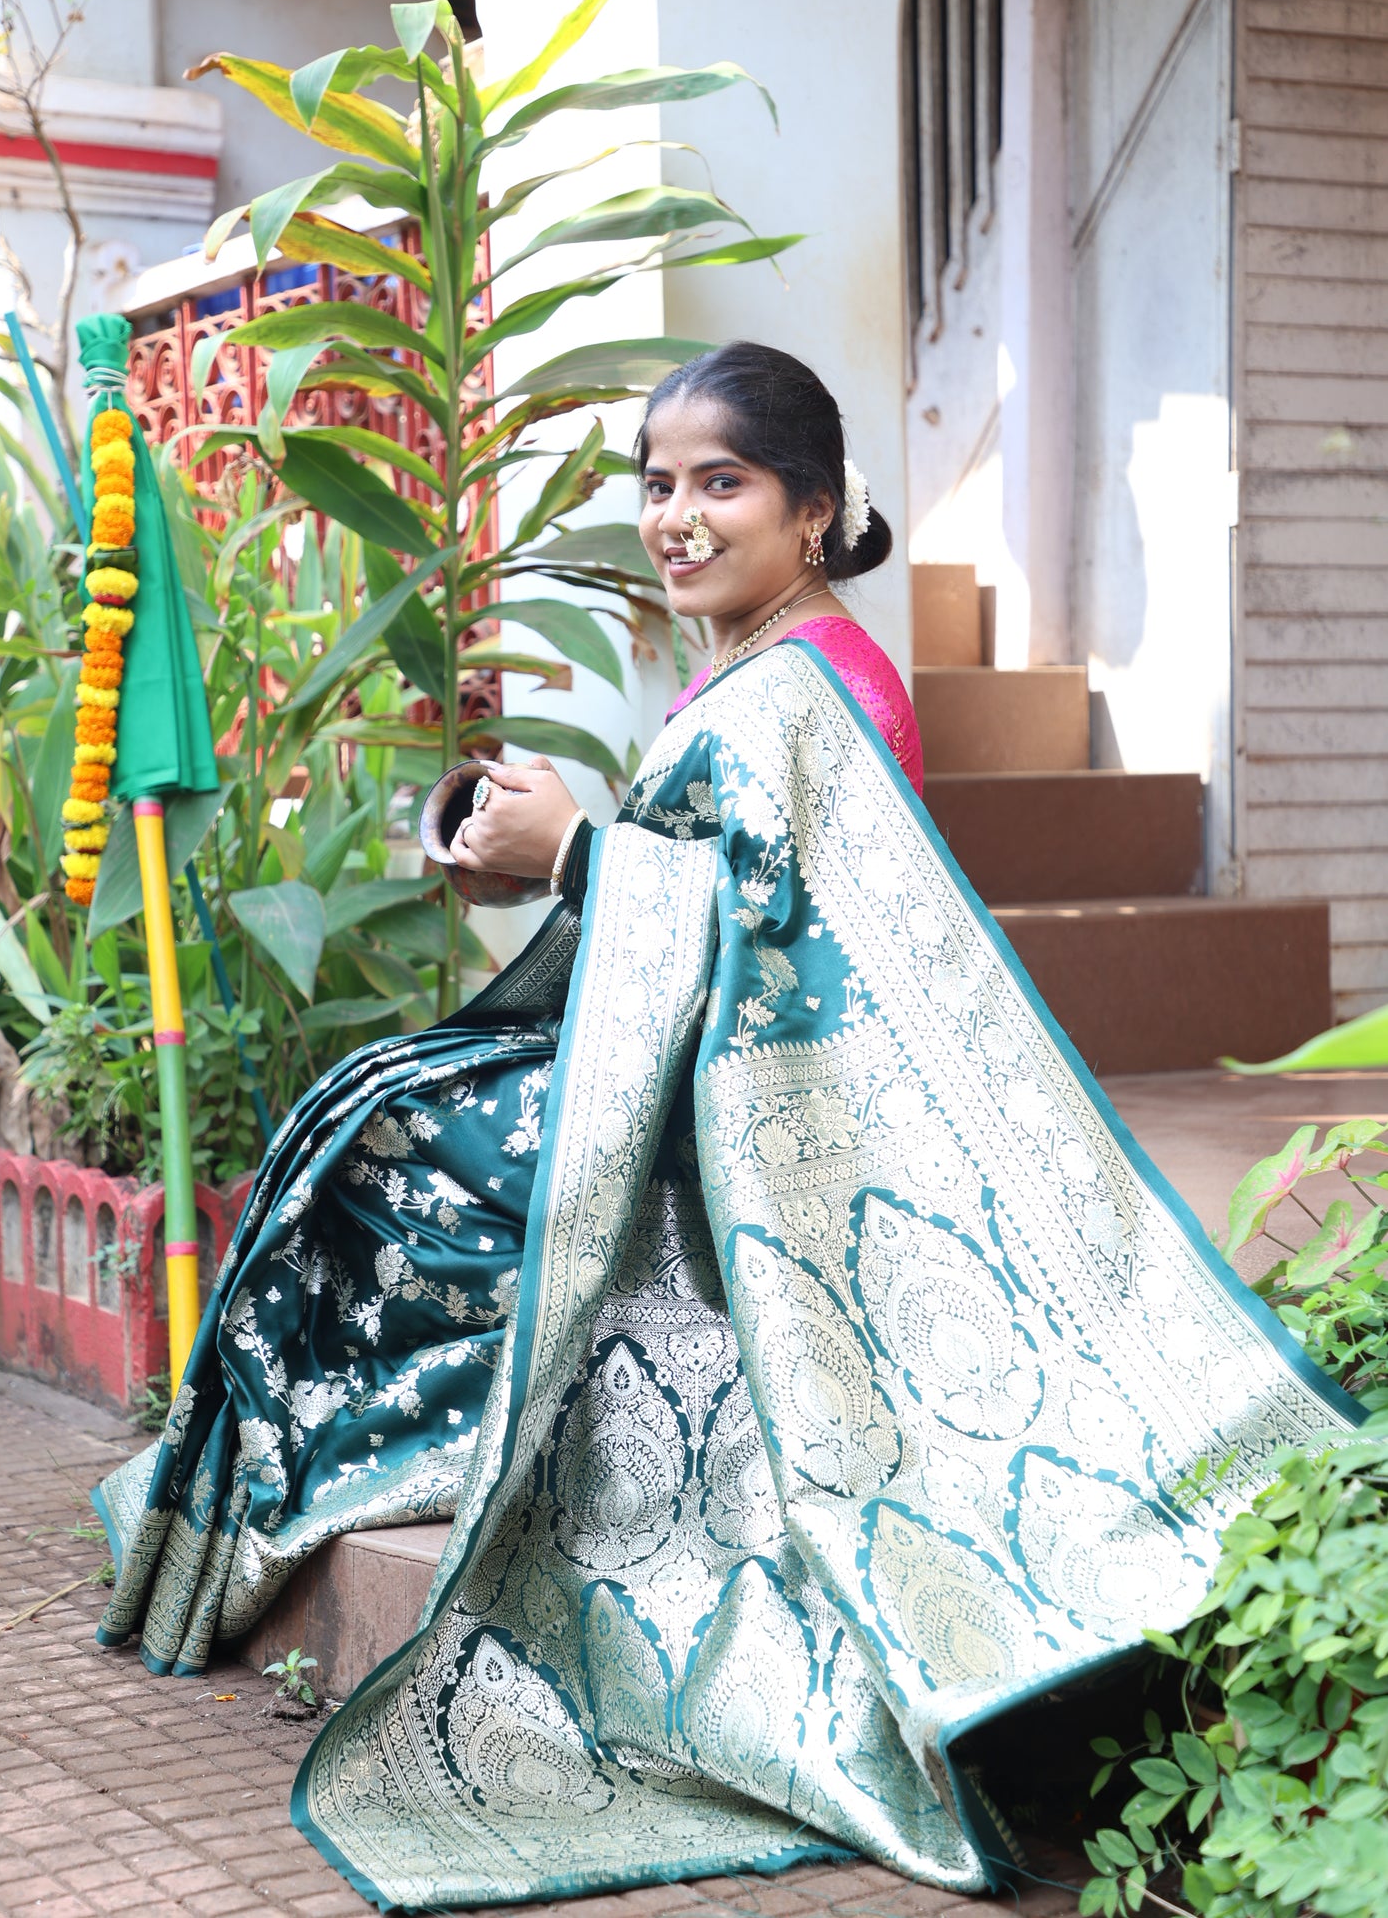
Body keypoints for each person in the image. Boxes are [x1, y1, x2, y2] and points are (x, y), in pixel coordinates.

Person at [94, 343, 1354, 1913]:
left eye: (721, 484)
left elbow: (795, 948)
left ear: (812, 513)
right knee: (373, 1111)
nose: (676, 517)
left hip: (759, 1139)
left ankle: (385, 1449)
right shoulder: (751, 664)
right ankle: (396, 1442)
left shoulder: (824, 687)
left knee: (389, 1155)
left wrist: (580, 860)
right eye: (657, 484)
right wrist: (545, 861)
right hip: (686, 1079)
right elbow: (703, 892)